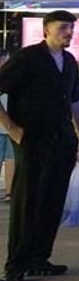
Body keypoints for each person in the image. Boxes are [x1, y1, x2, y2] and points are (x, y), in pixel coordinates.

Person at [0, 9, 79, 281]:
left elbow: (75, 102)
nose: (69, 32)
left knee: (52, 200)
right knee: (27, 202)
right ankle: (16, 264)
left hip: (62, 140)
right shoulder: (28, 58)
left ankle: (39, 258)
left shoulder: (69, 62)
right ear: (46, 30)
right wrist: (11, 128)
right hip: (33, 140)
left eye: (71, 28)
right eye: (63, 27)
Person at [0, 50, 13, 203]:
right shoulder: (11, 76)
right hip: (10, 124)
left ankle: (10, 192)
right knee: (10, 158)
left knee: (11, 159)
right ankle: (9, 192)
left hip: (12, 126)